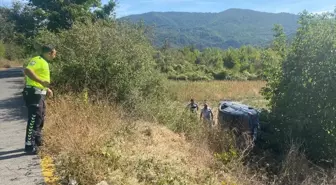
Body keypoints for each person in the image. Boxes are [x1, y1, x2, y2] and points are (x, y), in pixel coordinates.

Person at [22, 45, 56, 154]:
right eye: (54, 53)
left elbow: (41, 82)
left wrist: (47, 89)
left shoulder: (44, 62)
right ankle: (29, 145)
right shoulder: (37, 60)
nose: (55, 55)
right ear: (49, 53)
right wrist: (41, 82)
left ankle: (37, 140)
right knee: (34, 118)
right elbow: (27, 71)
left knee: (40, 117)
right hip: (32, 93)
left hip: (39, 93)